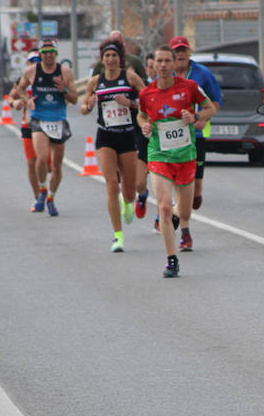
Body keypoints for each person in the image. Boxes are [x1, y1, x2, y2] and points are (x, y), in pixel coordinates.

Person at [136, 45, 216, 278]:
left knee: (184, 212)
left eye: (166, 61)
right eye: (158, 61)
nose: (162, 65)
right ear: (154, 64)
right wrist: (144, 124)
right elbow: (141, 113)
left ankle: (173, 219)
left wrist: (195, 117)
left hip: (185, 155)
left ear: (173, 64)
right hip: (159, 154)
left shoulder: (190, 88)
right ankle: (172, 260)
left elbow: (210, 108)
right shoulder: (147, 93)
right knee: (163, 205)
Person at [79, 40, 147, 252]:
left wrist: (131, 103)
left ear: (120, 58)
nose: (110, 60)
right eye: (107, 56)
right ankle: (118, 236)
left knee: (130, 190)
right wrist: (87, 106)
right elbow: (83, 106)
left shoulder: (129, 77)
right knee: (110, 184)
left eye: (114, 56)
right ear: (102, 59)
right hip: (105, 137)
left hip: (127, 137)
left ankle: (128, 202)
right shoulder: (95, 81)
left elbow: (147, 99)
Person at [10, 38, 77, 215]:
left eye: (51, 53)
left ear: (56, 54)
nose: (48, 56)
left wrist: (64, 90)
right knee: (41, 158)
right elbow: (19, 89)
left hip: (59, 120)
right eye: (45, 53)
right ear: (41, 54)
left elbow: (75, 99)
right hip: (39, 119)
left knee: (56, 167)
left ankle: (51, 198)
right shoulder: (32, 71)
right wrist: (26, 100)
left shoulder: (65, 72)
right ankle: (41, 190)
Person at [167, 36, 222, 230]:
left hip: (195, 136)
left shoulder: (202, 74)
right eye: (177, 51)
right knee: (176, 182)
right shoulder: (165, 74)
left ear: (189, 53)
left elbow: (215, 102)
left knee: (195, 193)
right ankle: (180, 224)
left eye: (184, 50)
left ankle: (175, 211)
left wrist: (202, 118)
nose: (180, 54)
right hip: (171, 138)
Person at [15, 51, 44, 208]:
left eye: (37, 61)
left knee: (46, 163)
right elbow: (12, 97)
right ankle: (38, 197)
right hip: (28, 123)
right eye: (31, 61)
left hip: (47, 122)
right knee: (32, 162)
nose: (34, 64)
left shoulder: (48, 78)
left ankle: (45, 188)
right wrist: (16, 103)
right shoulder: (24, 80)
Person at [134, 51, 156, 221]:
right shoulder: (141, 88)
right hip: (144, 137)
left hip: (165, 141)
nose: (154, 69)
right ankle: (142, 196)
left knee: (162, 184)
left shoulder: (172, 86)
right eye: (150, 67)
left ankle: (160, 218)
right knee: (139, 183)